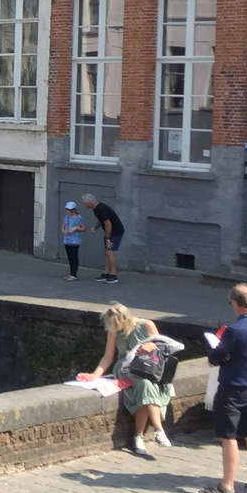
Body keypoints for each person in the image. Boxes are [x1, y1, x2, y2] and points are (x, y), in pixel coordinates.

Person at [78, 303, 174, 457]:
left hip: (148, 366)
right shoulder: (113, 332)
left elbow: (163, 348)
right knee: (145, 384)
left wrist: (152, 347)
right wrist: (95, 375)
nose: (115, 329)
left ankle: (139, 437)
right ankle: (158, 430)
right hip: (125, 368)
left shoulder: (147, 325)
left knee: (145, 386)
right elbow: (108, 357)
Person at [201, 284, 247, 493]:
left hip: (232, 390)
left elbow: (214, 358)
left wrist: (223, 355)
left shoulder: (234, 330)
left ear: (236, 304)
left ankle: (227, 486)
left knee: (229, 437)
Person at [81, 194, 123, 283]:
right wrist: (95, 228)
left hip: (115, 231)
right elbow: (101, 220)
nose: (85, 205)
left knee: (110, 251)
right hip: (110, 231)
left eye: (85, 203)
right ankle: (106, 273)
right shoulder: (96, 209)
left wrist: (108, 238)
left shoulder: (101, 209)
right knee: (107, 252)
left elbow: (108, 224)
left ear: (90, 202)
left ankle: (113, 275)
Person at [60, 201, 85, 282]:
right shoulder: (66, 217)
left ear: (73, 210)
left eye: (69, 210)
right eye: (67, 209)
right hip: (67, 240)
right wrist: (64, 231)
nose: (67, 211)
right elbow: (63, 226)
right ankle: (71, 273)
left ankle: (74, 274)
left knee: (74, 257)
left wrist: (76, 228)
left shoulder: (79, 217)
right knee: (70, 257)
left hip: (75, 240)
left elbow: (84, 228)